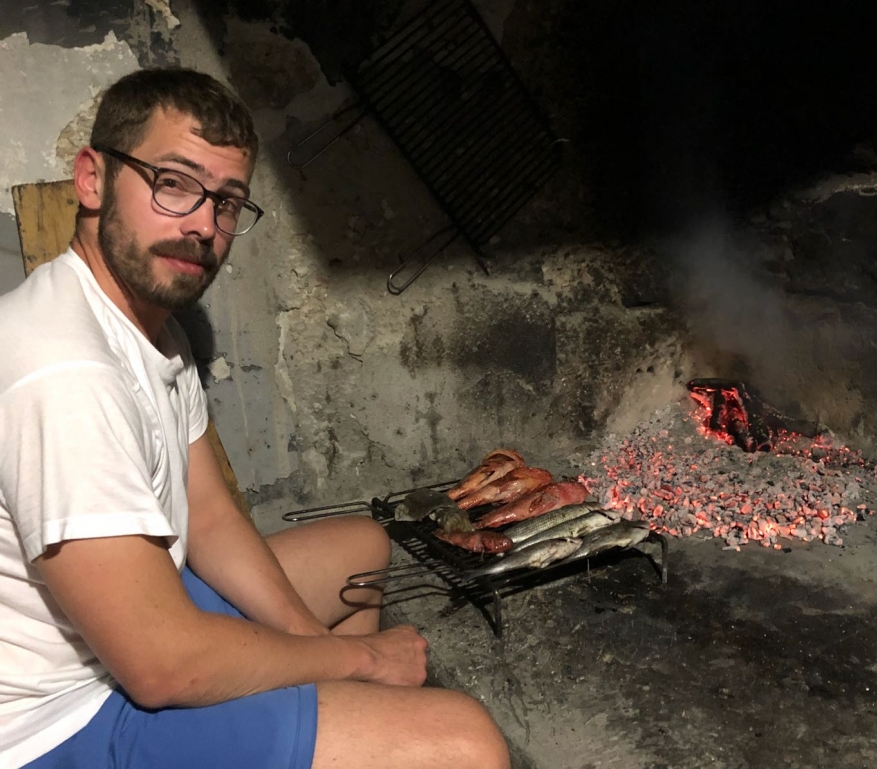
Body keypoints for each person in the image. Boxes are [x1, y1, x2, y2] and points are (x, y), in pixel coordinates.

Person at [0, 68, 510, 769]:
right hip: (61, 720)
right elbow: (161, 667)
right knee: (466, 742)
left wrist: (315, 647)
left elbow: (209, 517)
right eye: (173, 183)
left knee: (361, 548)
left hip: (126, 635)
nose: (203, 226)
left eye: (227, 202)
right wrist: (360, 660)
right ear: (92, 179)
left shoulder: (151, 329)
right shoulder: (64, 372)